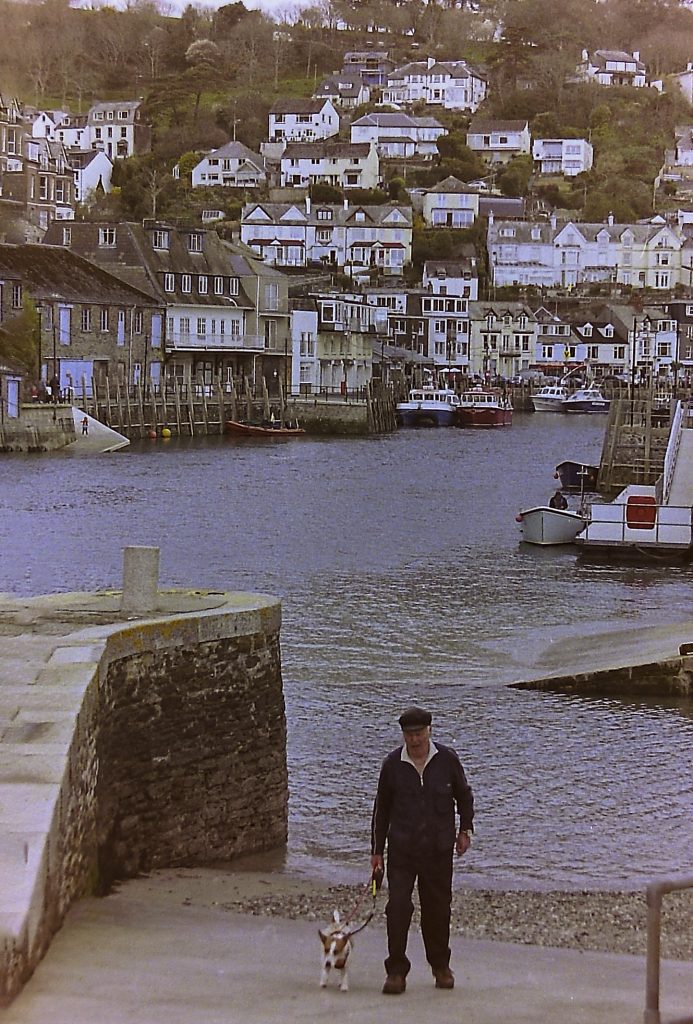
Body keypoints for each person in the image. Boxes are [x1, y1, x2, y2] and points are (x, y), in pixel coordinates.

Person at [370, 706, 474, 996]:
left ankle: (441, 966)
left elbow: (464, 796)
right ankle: (396, 972)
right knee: (398, 909)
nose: (414, 740)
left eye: (418, 733)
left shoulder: (447, 760)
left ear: (429, 730)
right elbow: (381, 811)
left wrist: (465, 830)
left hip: (439, 850)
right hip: (402, 851)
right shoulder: (392, 765)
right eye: (409, 734)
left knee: (437, 911)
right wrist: (376, 852)